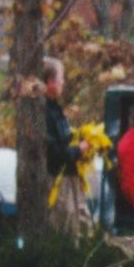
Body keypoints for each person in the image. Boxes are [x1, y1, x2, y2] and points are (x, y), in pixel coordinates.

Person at [42, 56, 89, 227]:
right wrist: (79, 150)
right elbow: (53, 151)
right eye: (60, 77)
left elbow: (62, 139)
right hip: (55, 181)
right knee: (63, 224)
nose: (63, 82)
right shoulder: (44, 111)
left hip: (68, 178)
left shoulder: (55, 108)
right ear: (50, 82)